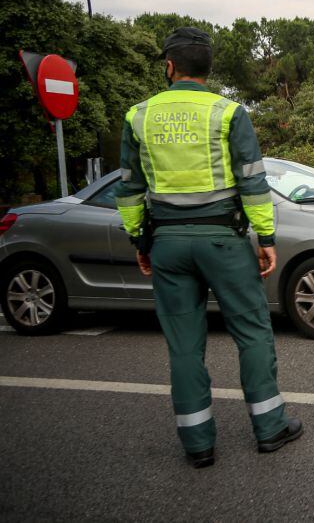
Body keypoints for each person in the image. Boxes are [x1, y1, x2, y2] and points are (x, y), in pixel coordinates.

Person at [115, 27, 302, 468]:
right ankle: (270, 428)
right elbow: (254, 183)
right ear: (208, 68)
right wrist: (267, 238)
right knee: (252, 332)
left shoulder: (138, 116)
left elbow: (128, 190)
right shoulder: (228, 112)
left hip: (167, 244)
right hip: (223, 241)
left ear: (169, 66)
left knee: (183, 345)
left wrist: (140, 240)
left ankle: (198, 444)